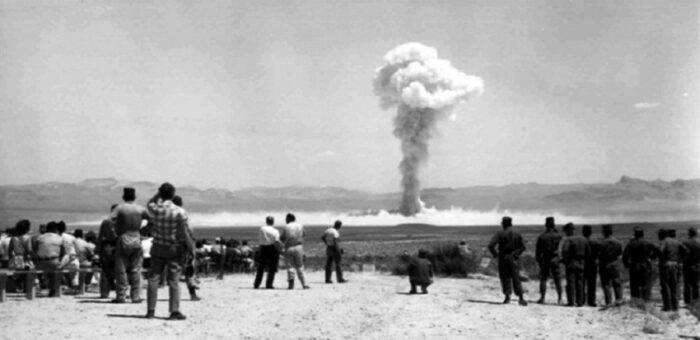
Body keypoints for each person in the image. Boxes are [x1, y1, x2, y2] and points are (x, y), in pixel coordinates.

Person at [145, 182, 195, 320]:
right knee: (174, 280)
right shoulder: (179, 211)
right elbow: (184, 232)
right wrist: (191, 248)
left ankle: (150, 311)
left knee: (153, 279)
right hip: (174, 248)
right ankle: (174, 311)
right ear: (173, 195)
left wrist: (159, 194)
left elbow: (150, 202)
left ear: (160, 194)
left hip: (157, 247)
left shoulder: (155, 208)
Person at [111, 187, 151, 304]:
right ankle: (135, 296)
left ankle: (121, 296)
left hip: (123, 237)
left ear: (124, 197)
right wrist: (144, 230)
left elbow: (110, 220)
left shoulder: (120, 208)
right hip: (136, 237)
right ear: (134, 196)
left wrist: (116, 230)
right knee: (136, 269)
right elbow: (152, 220)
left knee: (121, 269)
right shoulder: (140, 209)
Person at [488, 216, 528, 306]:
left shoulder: (499, 233)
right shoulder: (517, 234)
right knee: (516, 278)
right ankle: (521, 298)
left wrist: (496, 254)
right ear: (511, 224)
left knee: (505, 277)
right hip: (513, 258)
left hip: (503, 257)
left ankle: (507, 297)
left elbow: (491, 245)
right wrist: (516, 254)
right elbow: (523, 247)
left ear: (503, 224)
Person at [172, 195, 200, 301]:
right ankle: (192, 294)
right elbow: (188, 230)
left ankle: (174, 294)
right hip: (184, 245)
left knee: (174, 270)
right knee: (189, 269)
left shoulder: (168, 213)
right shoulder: (183, 213)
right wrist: (191, 245)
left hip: (171, 244)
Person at [622, 226, 659, 302]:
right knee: (646, 284)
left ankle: (636, 301)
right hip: (645, 265)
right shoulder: (647, 242)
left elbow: (625, 256)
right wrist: (652, 258)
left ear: (635, 234)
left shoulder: (631, 244)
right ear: (642, 234)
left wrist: (627, 265)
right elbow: (658, 250)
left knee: (634, 285)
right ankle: (645, 300)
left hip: (634, 266)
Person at [560, 223, 590, 307]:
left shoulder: (568, 240)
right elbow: (588, 252)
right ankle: (580, 301)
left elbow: (565, 251)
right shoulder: (584, 239)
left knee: (571, 282)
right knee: (580, 282)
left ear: (568, 230)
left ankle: (571, 301)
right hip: (581, 263)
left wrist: (565, 261)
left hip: (571, 263)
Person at [34, 221, 66, 297]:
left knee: (49, 268)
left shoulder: (39, 238)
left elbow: (35, 251)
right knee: (57, 266)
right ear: (55, 229)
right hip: (53, 262)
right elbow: (63, 253)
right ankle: (54, 289)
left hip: (39, 263)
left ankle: (45, 284)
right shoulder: (60, 238)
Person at [535, 217, 562, 304]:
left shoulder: (542, 236)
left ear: (546, 225)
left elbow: (538, 251)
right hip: (555, 258)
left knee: (543, 279)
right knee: (557, 279)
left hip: (545, 259)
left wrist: (539, 261)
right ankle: (560, 298)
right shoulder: (558, 236)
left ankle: (542, 298)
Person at [659, 228, 688, 311]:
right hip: (676, 264)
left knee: (666, 285)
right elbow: (687, 251)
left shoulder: (664, 241)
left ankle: (667, 306)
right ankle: (675, 306)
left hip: (666, 265)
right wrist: (680, 260)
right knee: (674, 285)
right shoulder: (677, 242)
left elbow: (661, 251)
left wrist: (661, 258)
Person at [281, 213, 309, 290]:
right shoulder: (300, 225)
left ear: (288, 219)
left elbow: (282, 238)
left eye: (286, 219)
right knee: (300, 266)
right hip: (299, 246)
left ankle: (291, 285)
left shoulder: (286, 226)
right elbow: (304, 234)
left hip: (289, 247)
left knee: (290, 267)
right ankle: (304, 284)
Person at [96, 204, 118, 298]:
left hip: (106, 248)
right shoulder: (122, 222)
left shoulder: (106, 222)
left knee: (105, 271)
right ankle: (121, 293)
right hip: (118, 248)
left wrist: (97, 253)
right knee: (121, 271)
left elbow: (100, 237)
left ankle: (104, 293)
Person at [598, 225, 623, 306]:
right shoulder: (618, 242)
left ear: (603, 232)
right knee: (617, 282)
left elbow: (599, 254)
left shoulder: (601, 243)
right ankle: (618, 300)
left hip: (604, 264)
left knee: (606, 284)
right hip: (615, 264)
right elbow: (619, 253)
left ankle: (608, 301)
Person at [254, 216, 281, 289]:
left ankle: (257, 284)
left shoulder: (262, 229)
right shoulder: (276, 231)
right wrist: (280, 249)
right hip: (272, 248)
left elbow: (259, 237)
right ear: (273, 222)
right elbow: (277, 241)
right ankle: (269, 284)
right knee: (272, 268)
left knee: (261, 267)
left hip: (263, 248)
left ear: (266, 221)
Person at [8, 220, 34, 292]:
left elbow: (10, 252)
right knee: (27, 275)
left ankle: (18, 285)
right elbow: (29, 250)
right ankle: (26, 289)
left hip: (16, 260)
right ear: (27, 229)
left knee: (18, 274)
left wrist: (12, 260)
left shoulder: (13, 238)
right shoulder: (27, 238)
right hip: (25, 260)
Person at [582, 225, 600, 307]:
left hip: (583, 263)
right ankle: (591, 301)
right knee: (592, 284)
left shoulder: (581, 241)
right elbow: (599, 253)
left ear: (583, 232)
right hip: (592, 264)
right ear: (591, 232)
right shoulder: (595, 242)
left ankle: (581, 300)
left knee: (581, 283)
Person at [683, 227, 700, 305]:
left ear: (689, 233)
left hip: (687, 265)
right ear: (696, 233)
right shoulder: (699, 242)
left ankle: (687, 302)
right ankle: (696, 301)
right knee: (696, 284)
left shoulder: (685, 242)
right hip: (697, 265)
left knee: (687, 284)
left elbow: (683, 254)